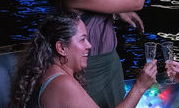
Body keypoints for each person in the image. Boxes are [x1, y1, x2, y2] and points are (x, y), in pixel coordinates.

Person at [9, 13, 157, 108]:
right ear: (61, 48)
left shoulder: (45, 71)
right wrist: (139, 87)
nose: (89, 45)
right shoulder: (63, 83)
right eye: (83, 40)